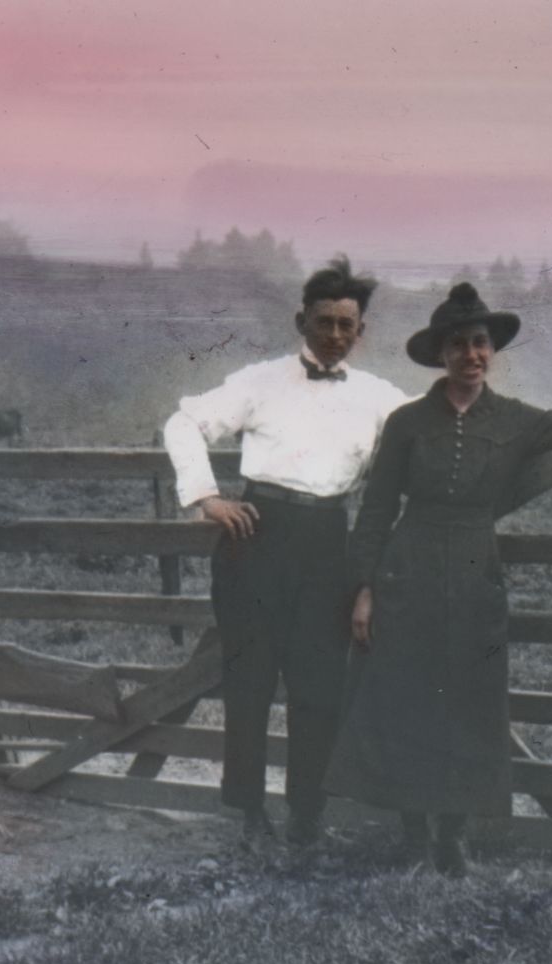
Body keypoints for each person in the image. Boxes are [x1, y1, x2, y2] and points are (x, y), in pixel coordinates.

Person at [325, 283, 552, 876]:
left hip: (472, 572)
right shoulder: (408, 422)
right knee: (406, 696)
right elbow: (379, 508)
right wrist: (364, 588)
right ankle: (413, 837)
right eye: (459, 344)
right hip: (407, 568)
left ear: (493, 351)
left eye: (481, 343)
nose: (472, 354)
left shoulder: (514, 420)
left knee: (468, 700)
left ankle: (452, 840)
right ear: (441, 353)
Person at [161, 257, 410, 846]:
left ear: (361, 332)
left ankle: (307, 815)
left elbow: (424, 439)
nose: (333, 336)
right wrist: (206, 497)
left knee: (319, 688)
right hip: (255, 538)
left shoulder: (382, 399)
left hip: (329, 546)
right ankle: (248, 813)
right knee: (248, 682)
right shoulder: (260, 380)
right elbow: (183, 422)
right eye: (323, 322)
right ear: (302, 320)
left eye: (346, 325)